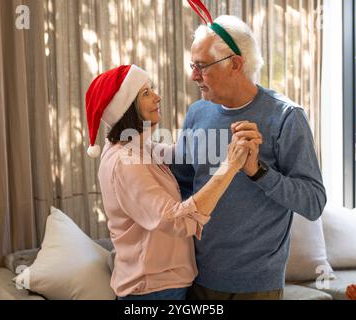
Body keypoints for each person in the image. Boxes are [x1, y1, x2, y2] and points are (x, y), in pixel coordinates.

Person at [170, 15, 327, 300]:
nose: (194, 76)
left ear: (235, 64)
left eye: (202, 66)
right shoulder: (197, 113)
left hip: (257, 286)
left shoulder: (286, 117)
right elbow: (180, 185)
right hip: (195, 278)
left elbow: (313, 202)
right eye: (193, 66)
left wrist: (258, 172)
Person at [85, 64, 251, 300]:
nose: (157, 96)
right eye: (146, 93)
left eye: (151, 89)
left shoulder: (138, 148)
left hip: (163, 287)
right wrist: (231, 166)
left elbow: (183, 154)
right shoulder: (126, 161)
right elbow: (178, 220)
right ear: (126, 109)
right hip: (152, 292)